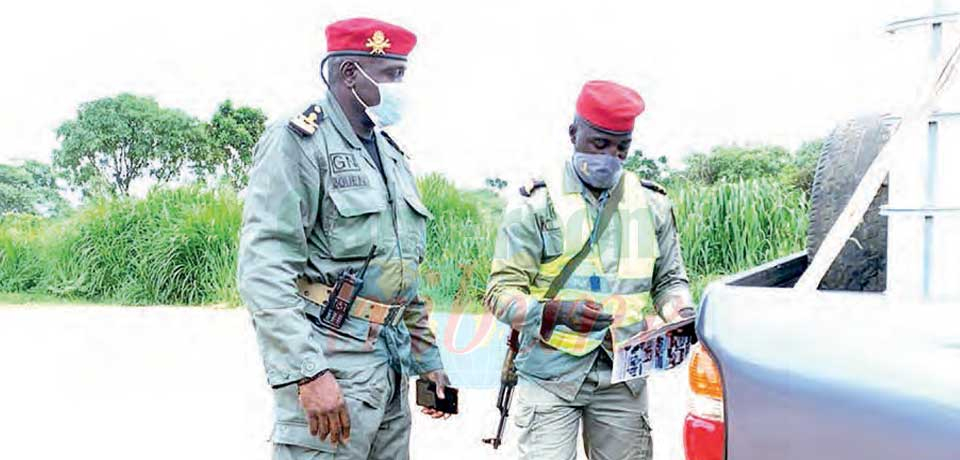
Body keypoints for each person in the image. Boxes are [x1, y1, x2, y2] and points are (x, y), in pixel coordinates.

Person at [237, 17, 452, 460]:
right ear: (350, 73)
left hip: (386, 371)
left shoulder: (389, 153)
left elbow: (399, 275)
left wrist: (427, 361)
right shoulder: (298, 142)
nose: (400, 88)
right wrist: (307, 373)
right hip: (331, 364)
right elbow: (265, 267)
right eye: (393, 74)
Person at [484, 80, 695, 460]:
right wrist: (553, 312)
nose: (611, 157)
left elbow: (670, 281)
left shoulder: (652, 204)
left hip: (622, 378)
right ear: (573, 134)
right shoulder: (535, 204)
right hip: (550, 374)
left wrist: (679, 313)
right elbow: (499, 295)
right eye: (600, 144)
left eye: (622, 148)